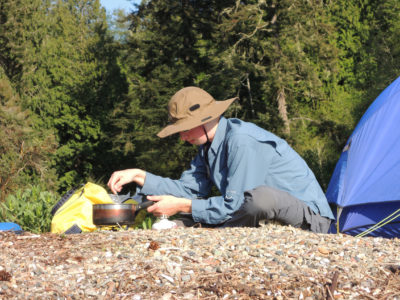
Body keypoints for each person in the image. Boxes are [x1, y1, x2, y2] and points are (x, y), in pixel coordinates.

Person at [107, 87, 334, 233]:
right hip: (255, 214)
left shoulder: (241, 140)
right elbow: (189, 190)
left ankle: (211, 231)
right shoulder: (206, 148)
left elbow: (234, 205)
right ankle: (207, 229)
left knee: (259, 198)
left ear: (205, 120)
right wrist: (139, 176)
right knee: (185, 220)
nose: (182, 136)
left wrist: (183, 206)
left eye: (184, 129)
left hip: (310, 219)